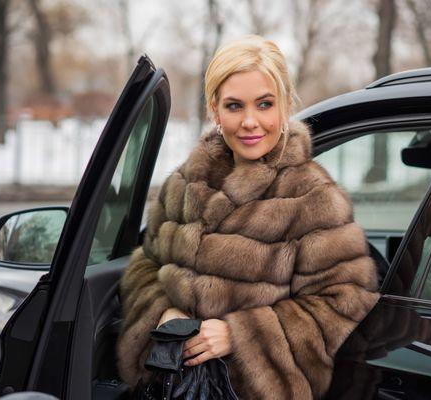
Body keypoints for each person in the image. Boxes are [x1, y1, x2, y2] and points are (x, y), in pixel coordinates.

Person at [117, 35, 380, 399]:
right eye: (235, 106)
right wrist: (163, 312)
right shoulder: (183, 185)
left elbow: (345, 299)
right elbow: (146, 264)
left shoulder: (312, 197)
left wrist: (239, 334)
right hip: (171, 385)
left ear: (285, 107)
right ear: (215, 110)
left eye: (265, 104)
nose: (250, 122)